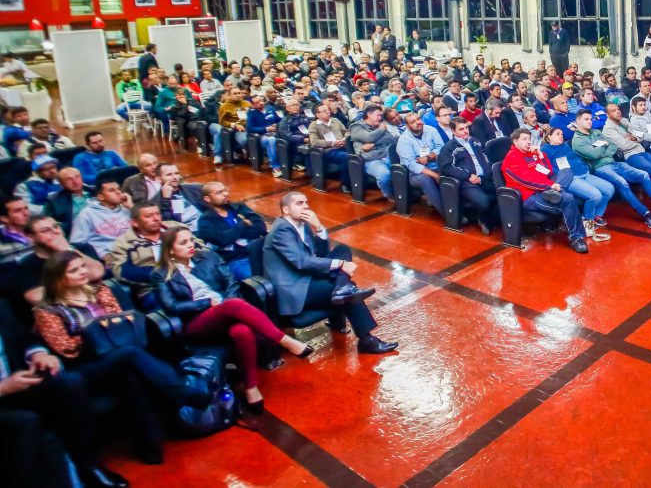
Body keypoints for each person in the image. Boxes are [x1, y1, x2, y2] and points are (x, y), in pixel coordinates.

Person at [34, 251, 212, 465]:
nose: (82, 272)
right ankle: (185, 392)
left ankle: (149, 448)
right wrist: (97, 333)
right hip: (85, 366)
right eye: (74, 270)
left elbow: (122, 322)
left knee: (130, 375)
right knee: (130, 356)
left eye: (82, 266)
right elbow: (67, 348)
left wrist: (101, 330)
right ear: (58, 278)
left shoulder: (100, 291)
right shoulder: (48, 310)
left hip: (120, 355)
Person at [152, 227, 313, 414]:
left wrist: (226, 303)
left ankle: (251, 386)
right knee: (233, 305)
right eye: (183, 243)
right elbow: (171, 307)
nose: (190, 245)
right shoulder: (161, 274)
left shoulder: (207, 257)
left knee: (241, 331)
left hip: (226, 311)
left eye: (190, 240)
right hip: (196, 322)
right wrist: (206, 303)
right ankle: (284, 340)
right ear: (170, 250)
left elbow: (231, 282)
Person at [0, 298, 129, 488]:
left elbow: (24, 338)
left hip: (17, 382)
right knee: (25, 421)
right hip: (4, 392)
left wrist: (39, 354)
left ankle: (86, 464)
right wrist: (4, 387)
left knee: (70, 383)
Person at [265, 193, 397, 354]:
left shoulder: (303, 225)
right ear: (286, 210)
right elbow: (302, 262)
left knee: (342, 249)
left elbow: (320, 254)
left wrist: (318, 227)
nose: (306, 206)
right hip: (294, 287)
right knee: (349, 291)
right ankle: (366, 340)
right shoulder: (281, 229)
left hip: (307, 278)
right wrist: (340, 264)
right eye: (299, 203)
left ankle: (342, 287)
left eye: (306, 202)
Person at [572, 110, 651, 229]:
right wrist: (604, 146)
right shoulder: (577, 141)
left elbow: (613, 146)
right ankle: (645, 213)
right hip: (600, 168)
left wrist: (601, 148)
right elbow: (594, 156)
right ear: (578, 121)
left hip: (614, 162)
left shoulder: (596, 132)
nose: (590, 122)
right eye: (586, 119)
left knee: (644, 175)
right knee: (623, 183)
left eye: (591, 119)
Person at [501, 128, 588, 254]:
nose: (528, 142)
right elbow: (526, 180)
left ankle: (557, 191)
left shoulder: (532, 154)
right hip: (529, 195)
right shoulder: (511, 158)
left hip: (544, 190)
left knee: (566, 171)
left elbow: (548, 171)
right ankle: (575, 238)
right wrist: (550, 185)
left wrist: (541, 156)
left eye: (529, 139)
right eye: (524, 139)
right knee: (568, 199)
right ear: (515, 141)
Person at [542, 128, 612, 241]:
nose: (561, 136)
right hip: (570, 177)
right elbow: (549, 169)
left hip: (583, 172)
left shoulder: (565, 145)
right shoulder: (545, 149)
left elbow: (576, 158)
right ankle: (586, 220)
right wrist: (561, 174)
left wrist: (582, 165)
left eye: (562, 134)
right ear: (549, 137)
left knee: (609, 189)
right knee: (596, 195)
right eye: (557, 134)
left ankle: (596, 216)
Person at [438, 117, 498, 235]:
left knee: (501, 195)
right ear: (453, 131)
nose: (466, 131)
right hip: (467, 181)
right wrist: (467, 176)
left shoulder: (475, 141)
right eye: (461, 129)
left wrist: (490, 172)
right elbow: (446, 167)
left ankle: (488, 218)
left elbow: (485, 157)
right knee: (484, 201)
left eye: (466, 128)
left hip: (485, 177)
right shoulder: (449, 147)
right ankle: (481, 219)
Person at [68, 178, 132, 259]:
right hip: (109, 256)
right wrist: (102, 254)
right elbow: (77, 243)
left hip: (133, 251)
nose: (118, 192)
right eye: (112, 190)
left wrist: (131, 208)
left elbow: (142, 232)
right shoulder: (86, 214)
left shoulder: (126, 208)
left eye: (119, 189)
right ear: (101, 197)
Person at [396, 112, 445, 216]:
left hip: (435, 164)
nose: (418, 122)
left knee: (450, 172)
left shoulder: (431, 130)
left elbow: (442, 148)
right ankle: (448, 214)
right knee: (425, 179)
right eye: (413, 122)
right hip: (415, 174)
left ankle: (459, 206)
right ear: (407, 125)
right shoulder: (403, 141)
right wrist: (435, 175)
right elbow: (412, 165)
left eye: (418, 119)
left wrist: (430, 156)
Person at [349, 104, 396, 200]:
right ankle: (389, 195)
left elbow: (391, 139)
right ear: (368, 115)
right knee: (384, 175)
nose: (380, 118)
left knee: (402, 169)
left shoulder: (378, 125)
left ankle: (405, 193)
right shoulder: (356, 127)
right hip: (370, 160)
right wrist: (382, 129)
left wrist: (373, 144)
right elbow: (368, 137)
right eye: (378, 115)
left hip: (386, 155)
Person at [307, 103, 351, 191]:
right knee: (346, 157)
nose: (328, 112)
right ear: (317, 115)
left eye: (328, 110)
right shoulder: (314, 125)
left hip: (343, 145)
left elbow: (346, 131)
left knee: (357, 155)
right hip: (328, 150)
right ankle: (345, 184)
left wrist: (344, 139)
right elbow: (314, 142)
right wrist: (332, 143)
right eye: (324, 111)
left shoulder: (335, 120)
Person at [153, 163, 204, 230]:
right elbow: (168, 225)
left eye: (176, 173)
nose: (174, 177)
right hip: (187, 235)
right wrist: (166, 200)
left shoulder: (195, 188)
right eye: (169, 174)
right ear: (158, 179)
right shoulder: (154, 203)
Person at [44, 167, 91, 236]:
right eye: (68, 179)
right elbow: (49, 223)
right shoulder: (54, 200)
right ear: (61, 184)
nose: (75, 182)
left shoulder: (96, 191)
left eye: (77, 177)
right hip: (76, 235)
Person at [246, 94, 283, 178]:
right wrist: (266, 129)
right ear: (253, 105)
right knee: (271, 140)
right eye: (257, 102)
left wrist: (276, 125)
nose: (261, 103)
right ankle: (275, 166)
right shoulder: (251, 113)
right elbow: (250, 128)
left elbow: (280, 120)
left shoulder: (270, 109)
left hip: (275, 132)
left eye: (261, 100)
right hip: (261, 136)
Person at [215, 87, 251, 165]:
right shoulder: (224, 106)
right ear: (229, 95)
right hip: (237, 129)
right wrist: (234, 125)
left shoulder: (247, 103)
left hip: (250, 126)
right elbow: (222, 122)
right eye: (235, 94)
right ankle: (242, 152)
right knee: (245, 140)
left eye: (239, 93)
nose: (238, 95)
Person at [0, 196, 32, 264]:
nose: (26, 214)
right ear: (4, 218)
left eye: (26, 208)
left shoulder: (39, 230)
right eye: (18, 211)